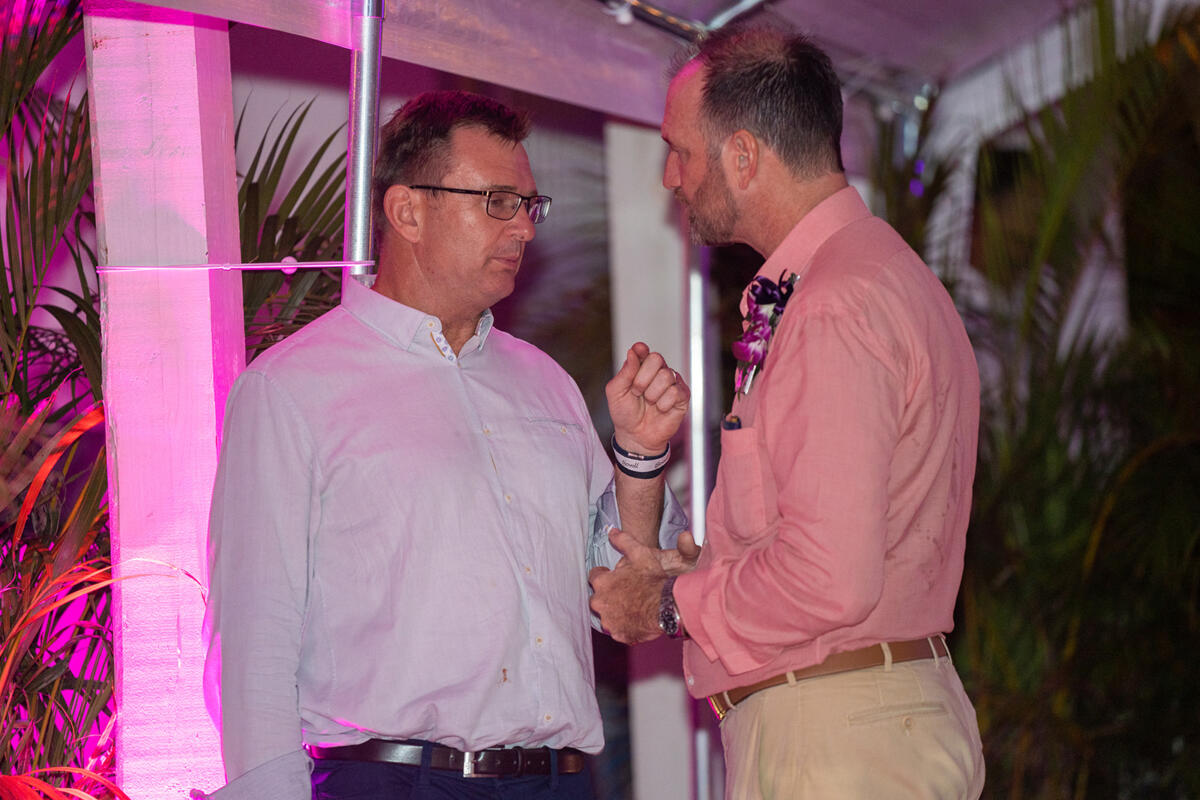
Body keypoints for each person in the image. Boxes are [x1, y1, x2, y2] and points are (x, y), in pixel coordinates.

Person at [204, 90, 689, 800]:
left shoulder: (546, 382)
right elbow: (254, 636)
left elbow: (625, 588)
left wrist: (640, 457)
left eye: (528, 205)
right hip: (394, 779)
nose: (523, 228)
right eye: (497, 202)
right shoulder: (292, 387)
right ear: (407, 212)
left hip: (559, 781)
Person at [588, 26, 986, 798]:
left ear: (743, 156)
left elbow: (829, 577)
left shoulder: (833, 305)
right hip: (867, 723)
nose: (670, 177)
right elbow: (845, 546)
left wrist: (667, 603)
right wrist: (707, 571)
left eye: (680, 151)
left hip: (837, 739)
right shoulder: (879, 274)